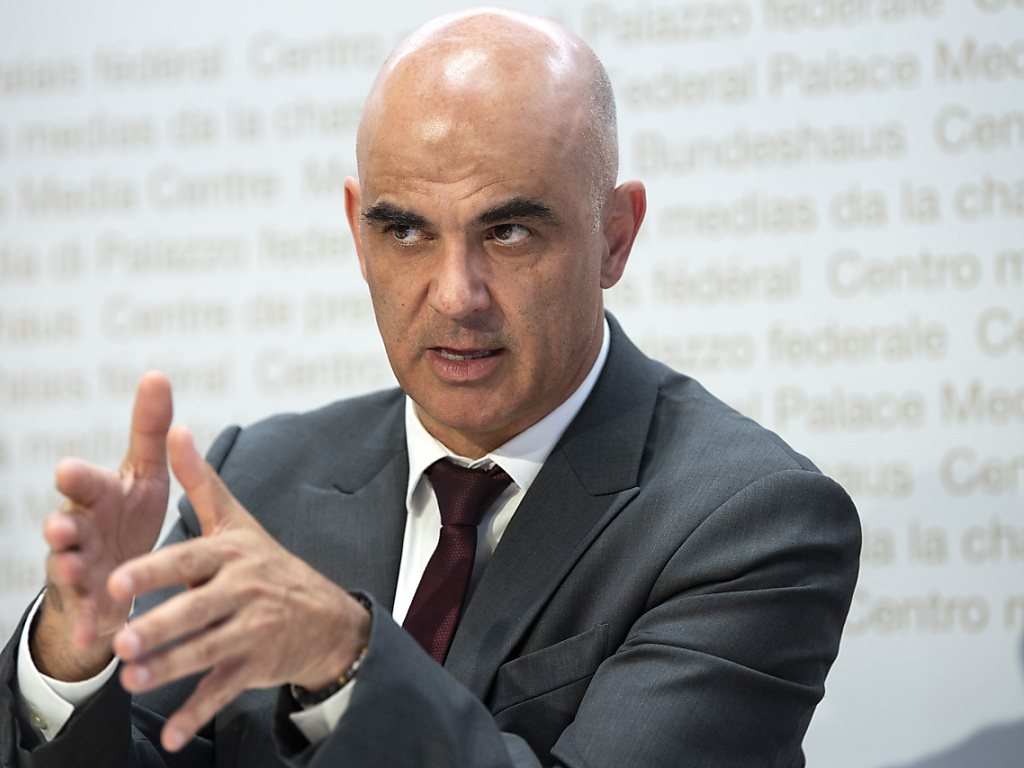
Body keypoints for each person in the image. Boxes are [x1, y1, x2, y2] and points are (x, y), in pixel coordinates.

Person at [0, 8, 860, 768]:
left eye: (509, 230)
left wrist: (347, 660)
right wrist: (71, 662)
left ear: (614, 238)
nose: (456, 295)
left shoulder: (753, 522)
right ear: (357, 233)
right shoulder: (252, 481)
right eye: (406, 232)